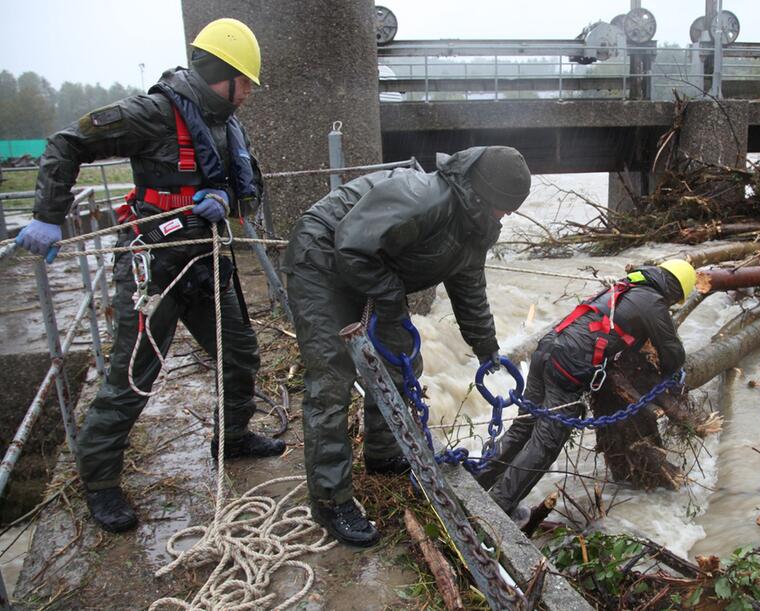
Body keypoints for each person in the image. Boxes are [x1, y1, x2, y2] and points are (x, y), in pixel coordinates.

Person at [16, 18, 285, 533]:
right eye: (245, 81)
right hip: (152, 266)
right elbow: (67, 143)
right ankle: (99, 482)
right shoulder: (154, 113)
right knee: (132, 377)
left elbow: (253, 189)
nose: (249, 92)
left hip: (205, 261)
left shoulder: (230, 124)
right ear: (220, 74)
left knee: (241, 352)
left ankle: (231, 438)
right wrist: (48, 216)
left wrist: (227, 198)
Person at [283, 146, 532, 546]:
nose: (505, 216)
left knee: (402, 362)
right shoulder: (425, 198)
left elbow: (468, 288)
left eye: (510, 210)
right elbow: (351, 247)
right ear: (482, 195)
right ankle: (331, 500)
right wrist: (390, 298)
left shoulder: (476, 224)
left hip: (370, 264)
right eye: (502, 207)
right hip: (324, 254)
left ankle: (384, 454)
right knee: (332, 377)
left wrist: (487, 348)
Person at [474, 260, 696, 517]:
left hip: (546, 350)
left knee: (523, 428)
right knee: (545, 443)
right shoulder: (652, 302)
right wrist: (672, 374)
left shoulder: (626, 287)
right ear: (676, 292)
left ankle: (478, 483)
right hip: (567, 367)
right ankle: (497, 508)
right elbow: (673, 353)